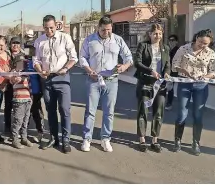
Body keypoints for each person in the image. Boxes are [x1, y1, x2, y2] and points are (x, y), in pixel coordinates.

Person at [79, 16, 132, 153]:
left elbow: (129, 57)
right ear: (98, 27)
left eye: (109, 30)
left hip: (111, 81)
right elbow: (82, 57)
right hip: (94, 80)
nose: (106, 33)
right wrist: (88, 70)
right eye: (103, 30)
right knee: (90, 110)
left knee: (109, 112)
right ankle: (87, 139)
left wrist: (124, 67)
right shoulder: (90, 40)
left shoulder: (117, 40)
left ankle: (105, 138)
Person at [33, 15, 78, 153]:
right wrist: (40, 71)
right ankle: (54, 138)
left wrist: (65, 68)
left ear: (56, 26)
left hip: (62, 78)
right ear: (43, 27)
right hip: (46, 80)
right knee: (50, 110)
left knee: (64, 110)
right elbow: (36, 60)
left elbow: (73, 58)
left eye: (51, 28)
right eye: (46, 28)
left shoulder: (65, 38)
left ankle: (66, 140)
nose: (49, 30)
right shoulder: (39, 41)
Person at [171, 29, 215, 156]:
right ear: (196, 37)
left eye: (206, 43)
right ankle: (177, 141)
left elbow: (214, 71)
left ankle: (196, 143)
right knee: (182, 113)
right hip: (185, 83)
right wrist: (186, 72)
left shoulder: (211, 53)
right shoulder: (184, 49)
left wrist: (206, 76)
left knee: (198, 114)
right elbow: (174, 64)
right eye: (201, 42)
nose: (202, 45)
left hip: (201, 86)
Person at [134, 23, 170, 153]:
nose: (158, 36)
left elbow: (167, 64)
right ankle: (142, 139)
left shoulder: (165, 48)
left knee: (158, 113)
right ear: (149, 34)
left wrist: (166, 72)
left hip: (160, 85)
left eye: (160, 34)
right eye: (155, 33)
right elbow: (137, 62)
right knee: (143, 110)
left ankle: (155, 139)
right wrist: (150, 71)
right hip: (145, 83)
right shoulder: (143, 46)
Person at [9, 54, 33, 149]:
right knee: (18, 120)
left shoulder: (26, 73)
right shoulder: (14, 72)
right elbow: (12, 80)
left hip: (27, 100)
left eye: (24, 63)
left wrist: (31, 96)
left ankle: (24, 137)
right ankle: (15, 139)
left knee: (25, 120)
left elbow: (30, 86)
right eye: (20, 62)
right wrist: (16, 78)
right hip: (18, 100)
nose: (22, 64)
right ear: (15, 63)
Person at [4, 36, 25, 135]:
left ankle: (20, 128)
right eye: (13, 43)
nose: (15, 45)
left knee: (20, 108)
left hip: (20, 86)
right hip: (8, 85)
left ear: (20, 45)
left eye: (17, 43)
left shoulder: (23, 56)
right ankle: (7, 127)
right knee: (8, 107)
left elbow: (21, 69)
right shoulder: (6, 55)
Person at [25, 44, 44, 143]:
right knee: (25, 113)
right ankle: (23, 133)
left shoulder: (37, 62)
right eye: (27, 50)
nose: (29, 52)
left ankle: (40, 132)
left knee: (36, 112)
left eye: (31, 50)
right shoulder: (22, 61)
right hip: (24, 91)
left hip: (36, 91)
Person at [165, 34, 180, 110]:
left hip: (173, 72)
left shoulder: (178, 50)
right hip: (165, 70)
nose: (171, 41)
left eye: (173, 40)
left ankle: (169, 103)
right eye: (170, 40)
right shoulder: (167, 49)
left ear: (176, 41)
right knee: (164, 86)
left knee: (170, 87)